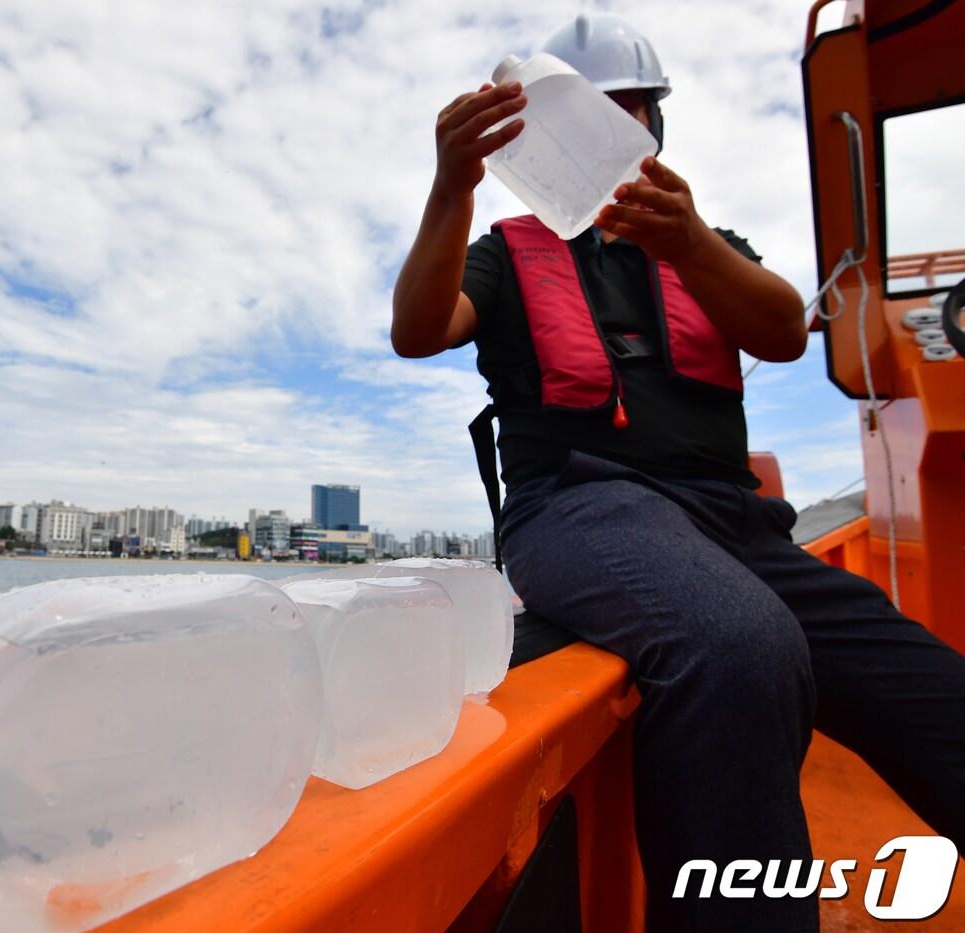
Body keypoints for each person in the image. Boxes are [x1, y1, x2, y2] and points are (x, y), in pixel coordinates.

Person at [391, 13, 965, 932]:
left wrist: (691, 243)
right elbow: (419, 328)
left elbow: (781, 330)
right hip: (578, 508)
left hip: (733, 523)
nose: (621, 134)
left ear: (655, 128)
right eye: (593, 117)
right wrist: (449, 186)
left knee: (935, 691)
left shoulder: (701, 237)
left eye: (634, 115)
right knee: (736, 644)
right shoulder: (506, 252)